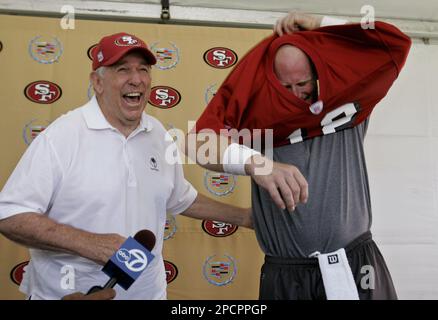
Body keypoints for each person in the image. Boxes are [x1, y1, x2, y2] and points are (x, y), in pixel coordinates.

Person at [0, 32, 252, 300]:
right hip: (69, 294)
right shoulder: (62, 136)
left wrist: (246, 218)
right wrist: (90, 244)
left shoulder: (157, 133)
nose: (137, 79)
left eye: (143, 69)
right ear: (97, 82)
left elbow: (179, 198)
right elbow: (11, 215)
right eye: (123, 70)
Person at [187, 12, 411, 299]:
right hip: (286, 272)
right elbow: (198, 143)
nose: (296, 94)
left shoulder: (348, 97)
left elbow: (393, 42)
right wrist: (257, 164)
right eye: (286, 86)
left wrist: (322, 24)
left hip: (354, 262)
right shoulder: (259, 115)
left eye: (303, 83)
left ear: (319, 72)